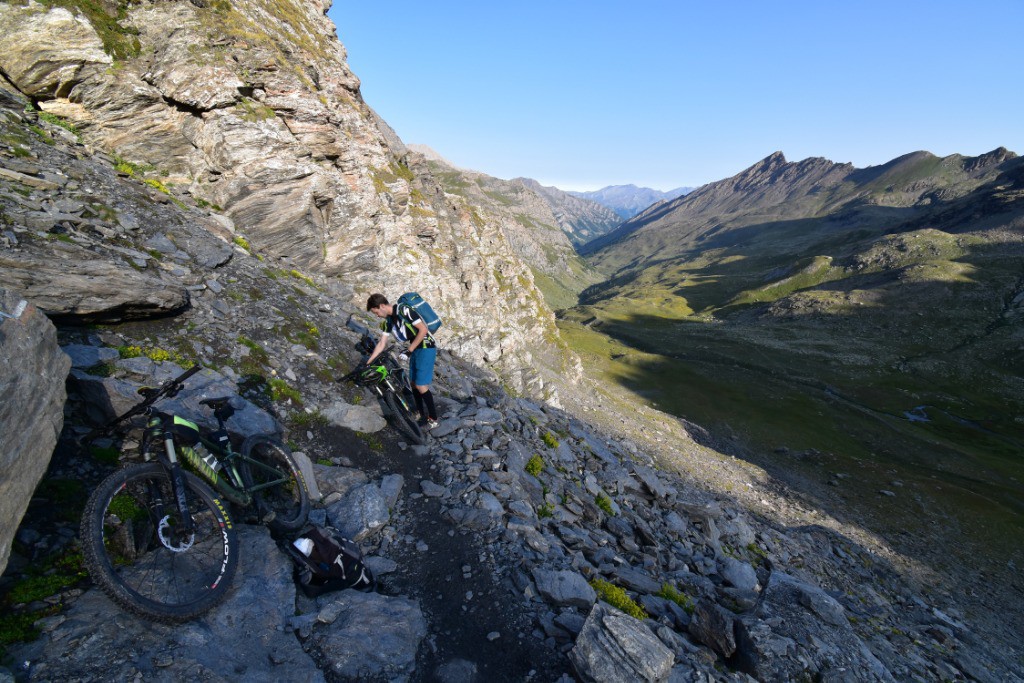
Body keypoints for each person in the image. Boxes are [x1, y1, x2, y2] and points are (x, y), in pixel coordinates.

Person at [364, 293, 439, 428]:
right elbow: (382, 343)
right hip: (415, 348)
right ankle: (422, 415)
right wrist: (368, 362)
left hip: (426, 346)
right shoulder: (388, 321)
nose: (377, 315)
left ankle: (433, 419)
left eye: (376, 312)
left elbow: (423, 330)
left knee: (421, 385)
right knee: (414, 384)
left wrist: (409, 351)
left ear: (381, 306)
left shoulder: (403, 310)